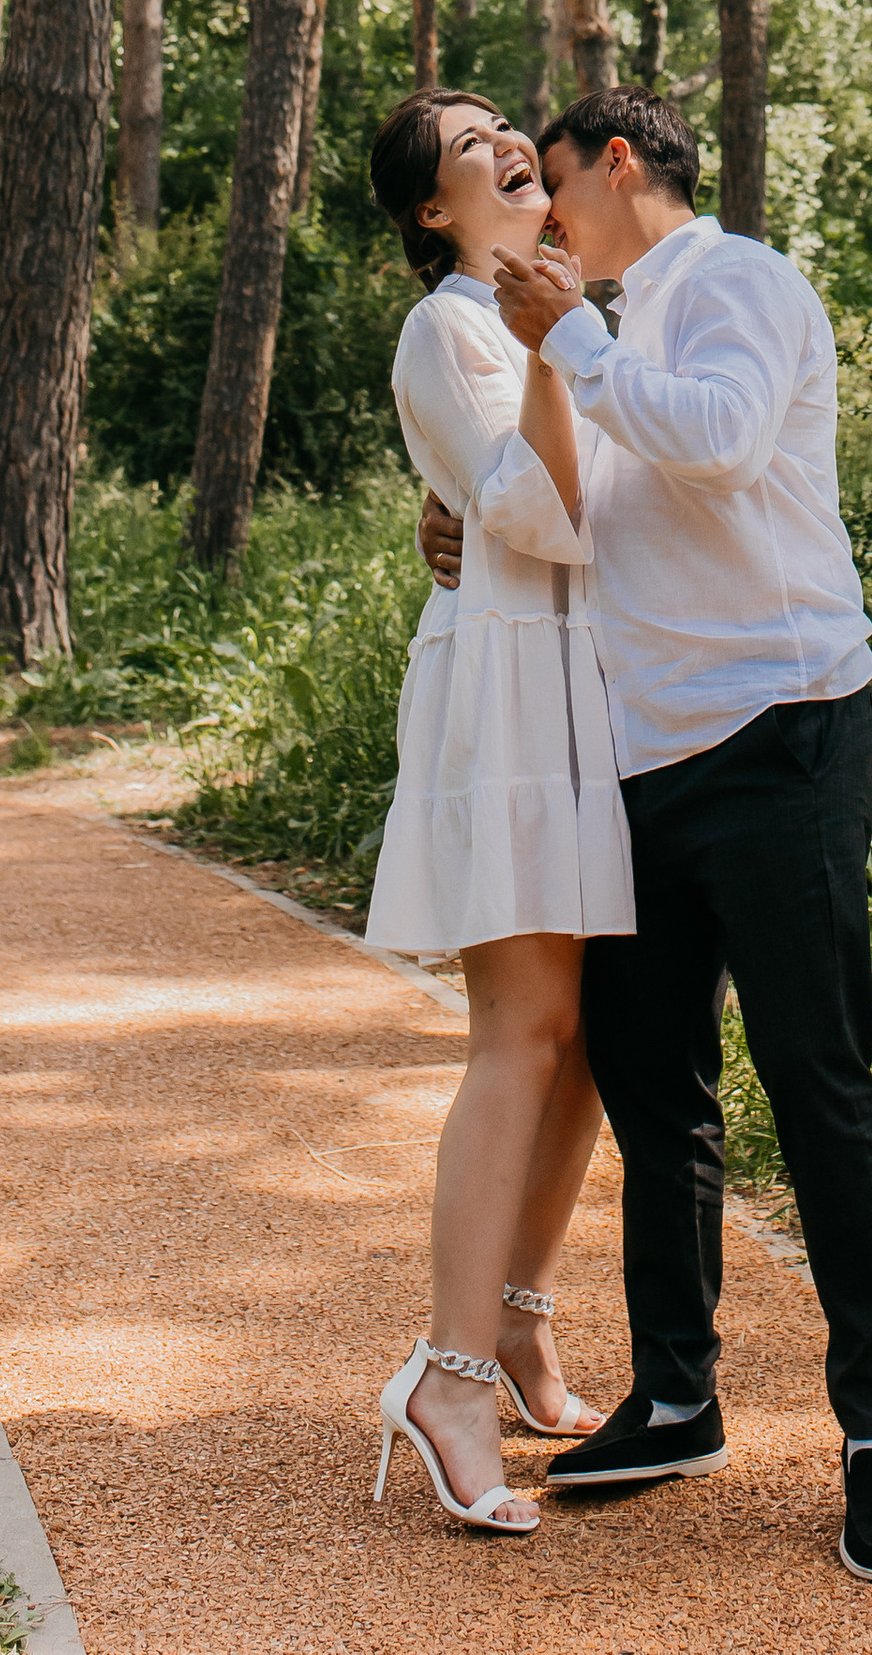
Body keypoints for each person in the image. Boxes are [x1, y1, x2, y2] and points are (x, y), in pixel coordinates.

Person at [427, 85, 872, 1588]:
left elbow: (718, 443)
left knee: (818, 1079)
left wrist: (568, 342)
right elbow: (574, 517)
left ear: (619, 163)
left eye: (553, 176)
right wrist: (459, 521)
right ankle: (674, 1394)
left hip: (781, 729)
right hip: (637, 760)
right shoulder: (603, 326)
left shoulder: (736, 283)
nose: (542, 206)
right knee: (657, 1089)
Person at [362, 90, 635, 1540]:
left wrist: (567, 338)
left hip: (602, 689)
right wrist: (541, 351)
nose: (506, 145)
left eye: (503, 129)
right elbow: (537, 515)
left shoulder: (589, 311)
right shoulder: (449, 328)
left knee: (591, 1039)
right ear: (433, 210)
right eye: (468, 147)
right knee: (521, 1032)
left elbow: (634, 495)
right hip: (510, 692)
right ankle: (451, 1377)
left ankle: (522, 1318)